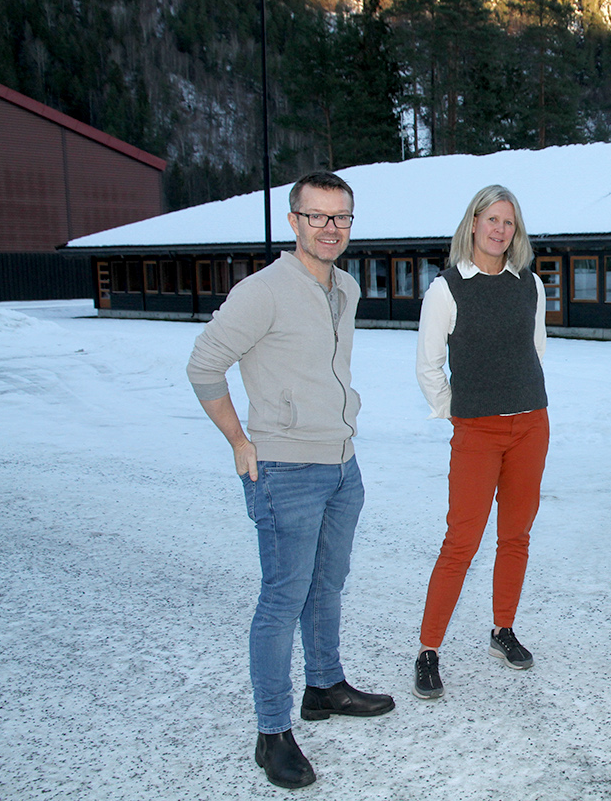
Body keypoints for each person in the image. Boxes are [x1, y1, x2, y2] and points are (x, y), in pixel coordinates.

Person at [187, 171, 394, 790]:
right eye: (317, 216)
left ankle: (324, 686)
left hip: (341, 464)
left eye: (341, 217)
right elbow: (204, 367)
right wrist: (239, 442)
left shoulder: (347, 289)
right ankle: (272, 731)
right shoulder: (263, 291)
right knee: (281, 600)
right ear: (294, 222)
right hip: (283, 469)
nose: (330, 228)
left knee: (328, 585)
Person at [413, 185, 549, 701]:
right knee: (461, 543)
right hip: (477, 431)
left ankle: (502, 631)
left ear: (516, 231)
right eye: (491, 219)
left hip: (531, 425)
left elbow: (535, 352)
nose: (499, 230)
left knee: (516, 535)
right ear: (473, 223)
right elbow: (429, 368)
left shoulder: (529, 285)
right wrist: (461, 412)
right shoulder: (447, 288)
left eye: (508, 223)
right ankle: (428, 650)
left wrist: (523, 402)